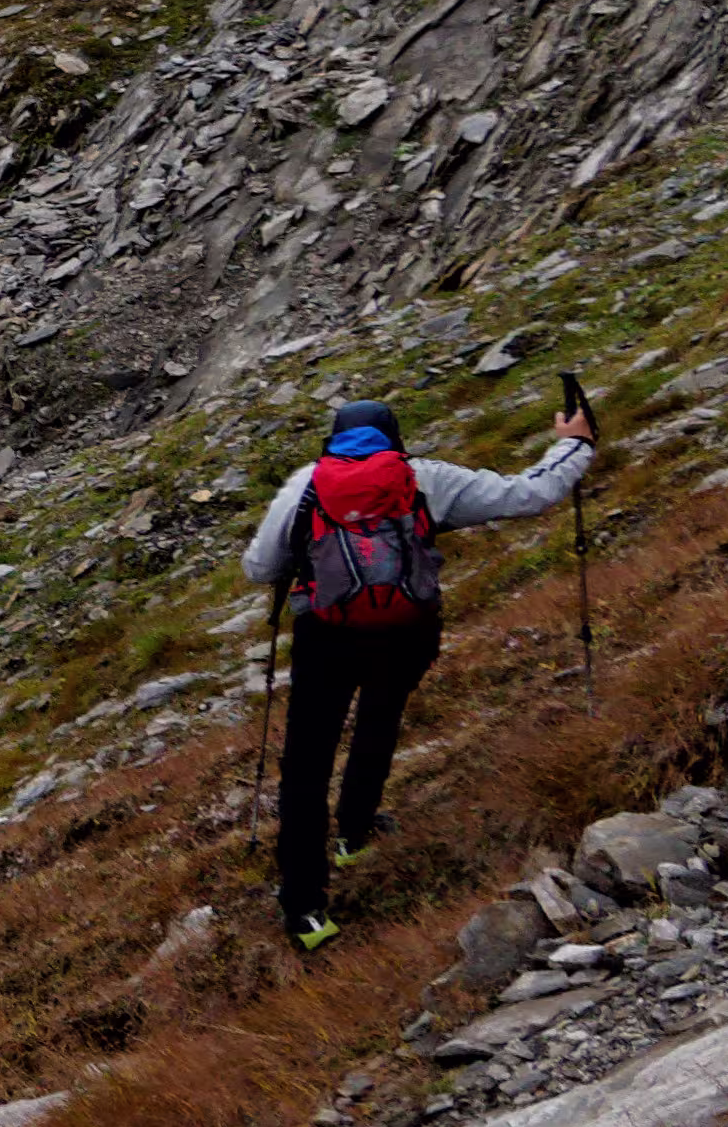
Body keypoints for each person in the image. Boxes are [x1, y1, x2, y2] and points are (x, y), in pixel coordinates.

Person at [240, 391, 597, 947]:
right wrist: (574, 444)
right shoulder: (426, 479)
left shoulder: (307, 484)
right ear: (395, 438)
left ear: (334, 439)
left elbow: (260, 567)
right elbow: (529, 494)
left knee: (307, 768)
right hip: (406, 630)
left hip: (326, 638)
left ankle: (305, 910)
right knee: (381, 718)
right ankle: (355, 832)